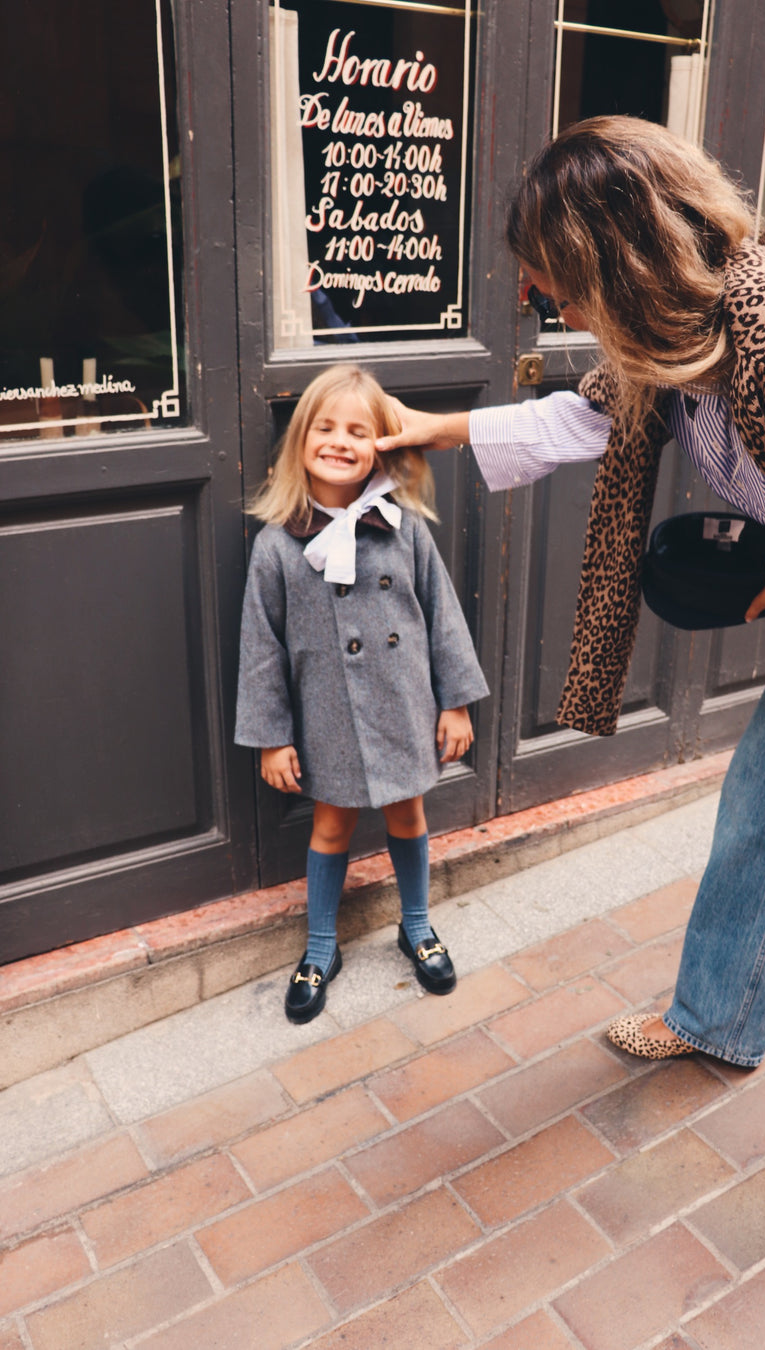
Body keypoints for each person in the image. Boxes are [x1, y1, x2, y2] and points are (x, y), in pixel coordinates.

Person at [374, 116, 765, 1293]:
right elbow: (582, 417)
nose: (529, 290)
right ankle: (718, 1017)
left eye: (547, 270)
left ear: (616, 257)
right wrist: (427, 429)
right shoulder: (676, 343)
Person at [236, 365, 488, 1023]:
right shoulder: (277, 546)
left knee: (408, 815)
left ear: (383, 443)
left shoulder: (403, 528)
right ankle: (322, 946)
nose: (341, 441)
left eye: (358, 430)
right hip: (328, 715)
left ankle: (417, 925)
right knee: (331, 824)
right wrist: (272, 737)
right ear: (301, 441)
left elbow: (443, 615)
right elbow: (260, 649)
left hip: (404, 706)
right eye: (326, 428)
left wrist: (455, 701)